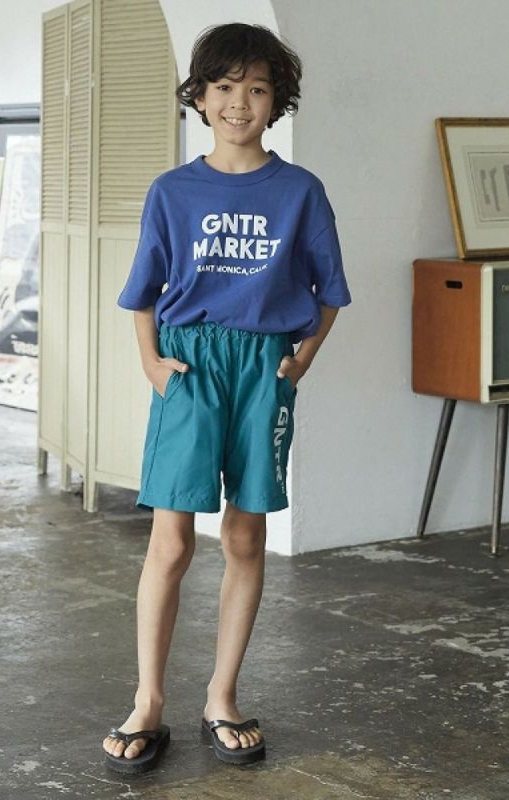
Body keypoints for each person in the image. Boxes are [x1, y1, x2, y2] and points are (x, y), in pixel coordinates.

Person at [102, 22, 352, 774]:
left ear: (277, 102)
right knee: (171, 540)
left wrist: (299, 362)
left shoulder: (300, 191)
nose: (239, 102)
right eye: (224, 86)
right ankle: (148, 700)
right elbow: (144, 291)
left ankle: (222, 696)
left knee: (245, 536)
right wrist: (151, 364)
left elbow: (329, 292)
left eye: (257, 89)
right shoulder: (173, 191)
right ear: (201, 97)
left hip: (262, 367)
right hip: (191, 364)